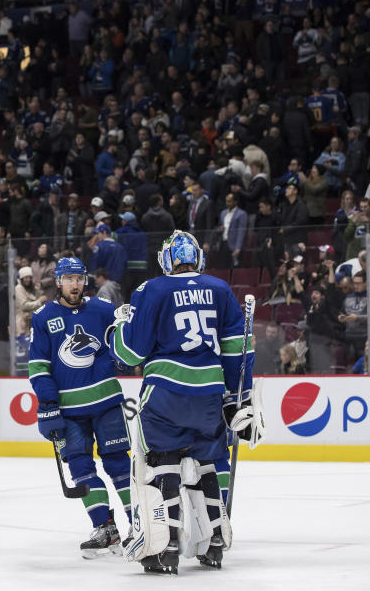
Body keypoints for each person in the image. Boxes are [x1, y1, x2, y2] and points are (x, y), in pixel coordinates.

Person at [111, 230, 259, 574]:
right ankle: (215, 540)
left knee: (161, 460)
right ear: (199, 258)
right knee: (205, 461)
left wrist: (119, 327)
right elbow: (241, 349)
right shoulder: (220, 289)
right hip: (209, 392)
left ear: (166, 261)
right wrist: (239, 398)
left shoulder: (151, 289)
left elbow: (130, 352)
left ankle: (167, 545)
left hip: (165, 392)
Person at [28, 257, 131, 559]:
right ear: (58, 282)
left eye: (79, 278)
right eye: (69, 278)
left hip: (106, 402)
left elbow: (124, 346)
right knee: (80, 467)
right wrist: (48, 405)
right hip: (70, 409)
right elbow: (38, 366)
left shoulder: (102, 309)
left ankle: (139, 525)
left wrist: (120, 358)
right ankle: (105, 528)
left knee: (118, 464)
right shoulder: (44, 317)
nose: (75, 284)